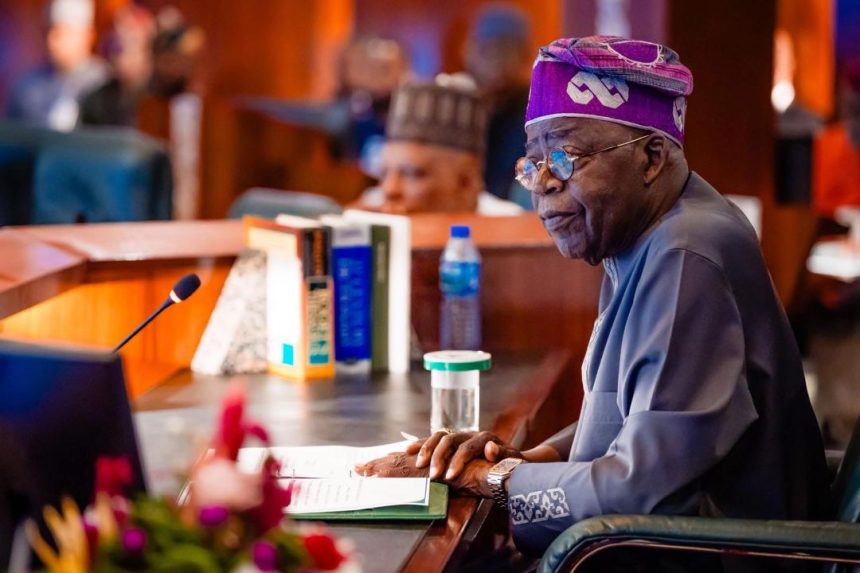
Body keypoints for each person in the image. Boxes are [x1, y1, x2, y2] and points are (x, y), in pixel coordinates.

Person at [357, 36, 831, 568]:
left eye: (567, 158)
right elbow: (635, 416)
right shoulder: (644, 234)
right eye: (534, 162)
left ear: (651, 158)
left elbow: (639, 491)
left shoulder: (687, 252)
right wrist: (526, 459)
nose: (543, 184)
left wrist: (494, 479)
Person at [353, 78, 523, 215]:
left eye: (412, 174)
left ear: (466, 184)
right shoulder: (368, 211)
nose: (390, 189)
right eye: (383, 174)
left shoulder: (511, 228)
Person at [463, 4, 534, 202]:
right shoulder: (460, 104)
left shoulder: (536, 111)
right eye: (486, 49)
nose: (495, 59)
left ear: (524, 55)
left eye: (505, 50)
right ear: (468, 51)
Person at [6, 0, 108, 131]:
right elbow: (11, 137)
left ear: (87, 35)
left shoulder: (105, 85)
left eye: (60, 33)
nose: (51, 41)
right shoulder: (28, 86)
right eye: (48, 31)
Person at [79, 4, 156, 127]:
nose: (122, 54)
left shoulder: (163, 99)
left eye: (132, 43)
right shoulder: (96, 101)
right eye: (117, 45)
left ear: (150, 49)